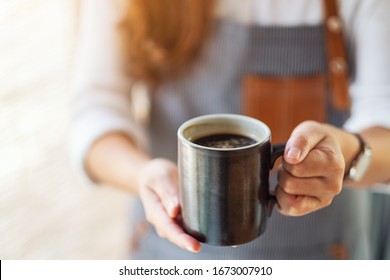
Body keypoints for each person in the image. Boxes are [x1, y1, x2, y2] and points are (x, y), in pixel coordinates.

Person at [70, 0, 390, 259]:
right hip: (167, 253)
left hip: (323, 252)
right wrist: (143, 175)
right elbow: (95, 112)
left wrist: (345, 152)